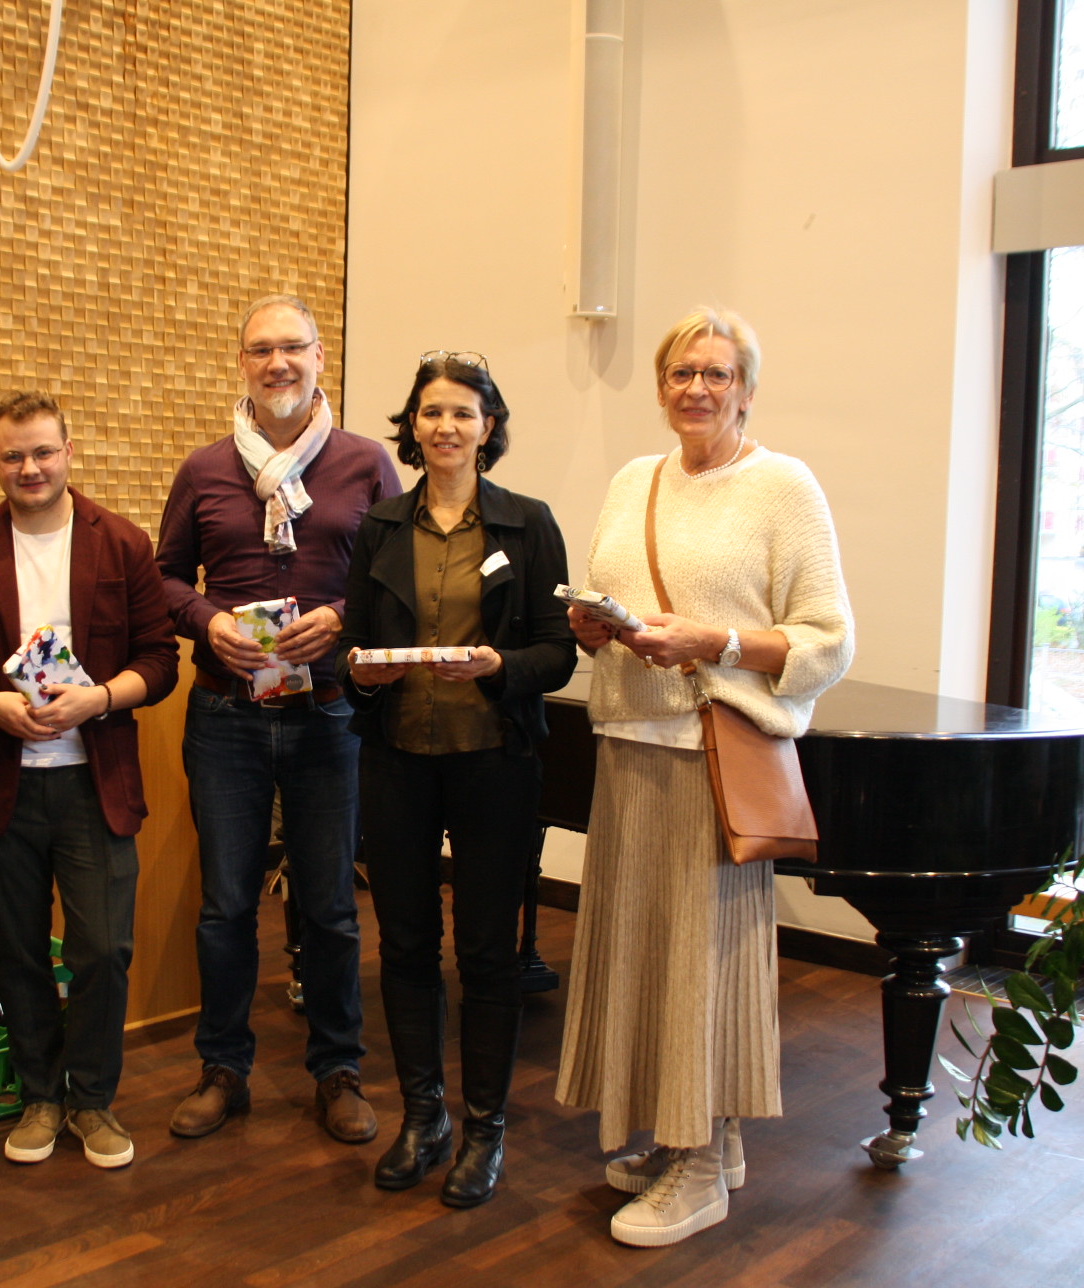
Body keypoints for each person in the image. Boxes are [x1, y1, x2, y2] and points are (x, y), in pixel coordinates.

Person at [554, 306, 852, 1248]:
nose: (696, 388)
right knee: (644, 955)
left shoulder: (783, 487)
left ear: (747, 389)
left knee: (700, 964)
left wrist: (715, 641)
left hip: (711, 756)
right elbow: (618, 599)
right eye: (682, 372)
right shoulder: (633, 480)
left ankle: (699, 1166)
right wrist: (593, 627)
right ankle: (696, 1137)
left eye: (717, 374)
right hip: (627, 745)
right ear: (660, 386)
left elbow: (828, 641)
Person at [156, 293, 402, 1142]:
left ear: (319, 356)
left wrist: (340, 617)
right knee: (226, 905)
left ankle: (338, 1071)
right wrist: (207, 622)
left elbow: (397, 582)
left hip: (329, 715)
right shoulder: (203, 470)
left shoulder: (366, 463)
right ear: (242, 363)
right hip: (225, 717)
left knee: (329, 904)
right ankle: (223, 1069)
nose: (277, 364)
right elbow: (164, 578)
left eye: (292, 347)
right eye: (260, 350)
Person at [336, 352, 575, 1207]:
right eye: (431, 412)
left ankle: (485, 1130)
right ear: (413, 426)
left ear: (488, 428)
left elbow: (557, 650)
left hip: (493, 763)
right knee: (404, 946)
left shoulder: (528, 523)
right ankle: (423, 1118)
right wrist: (359, 671)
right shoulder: (380, 526)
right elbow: (351, 645)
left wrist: (499, 666)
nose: (446, 427)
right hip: (397, 760)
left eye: (463, 413)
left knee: (486, 953)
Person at [0, 392, 178, 1171]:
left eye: (42, 451)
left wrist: (100, 698)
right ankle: (40, 1096)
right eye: (13, 455)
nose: (29, 468)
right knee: (18, 951)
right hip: (2, 783)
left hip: (95, 784)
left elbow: (160, 659)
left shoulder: (122, 544)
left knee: (102, 949)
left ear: (69, 450)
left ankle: (91, 1100)